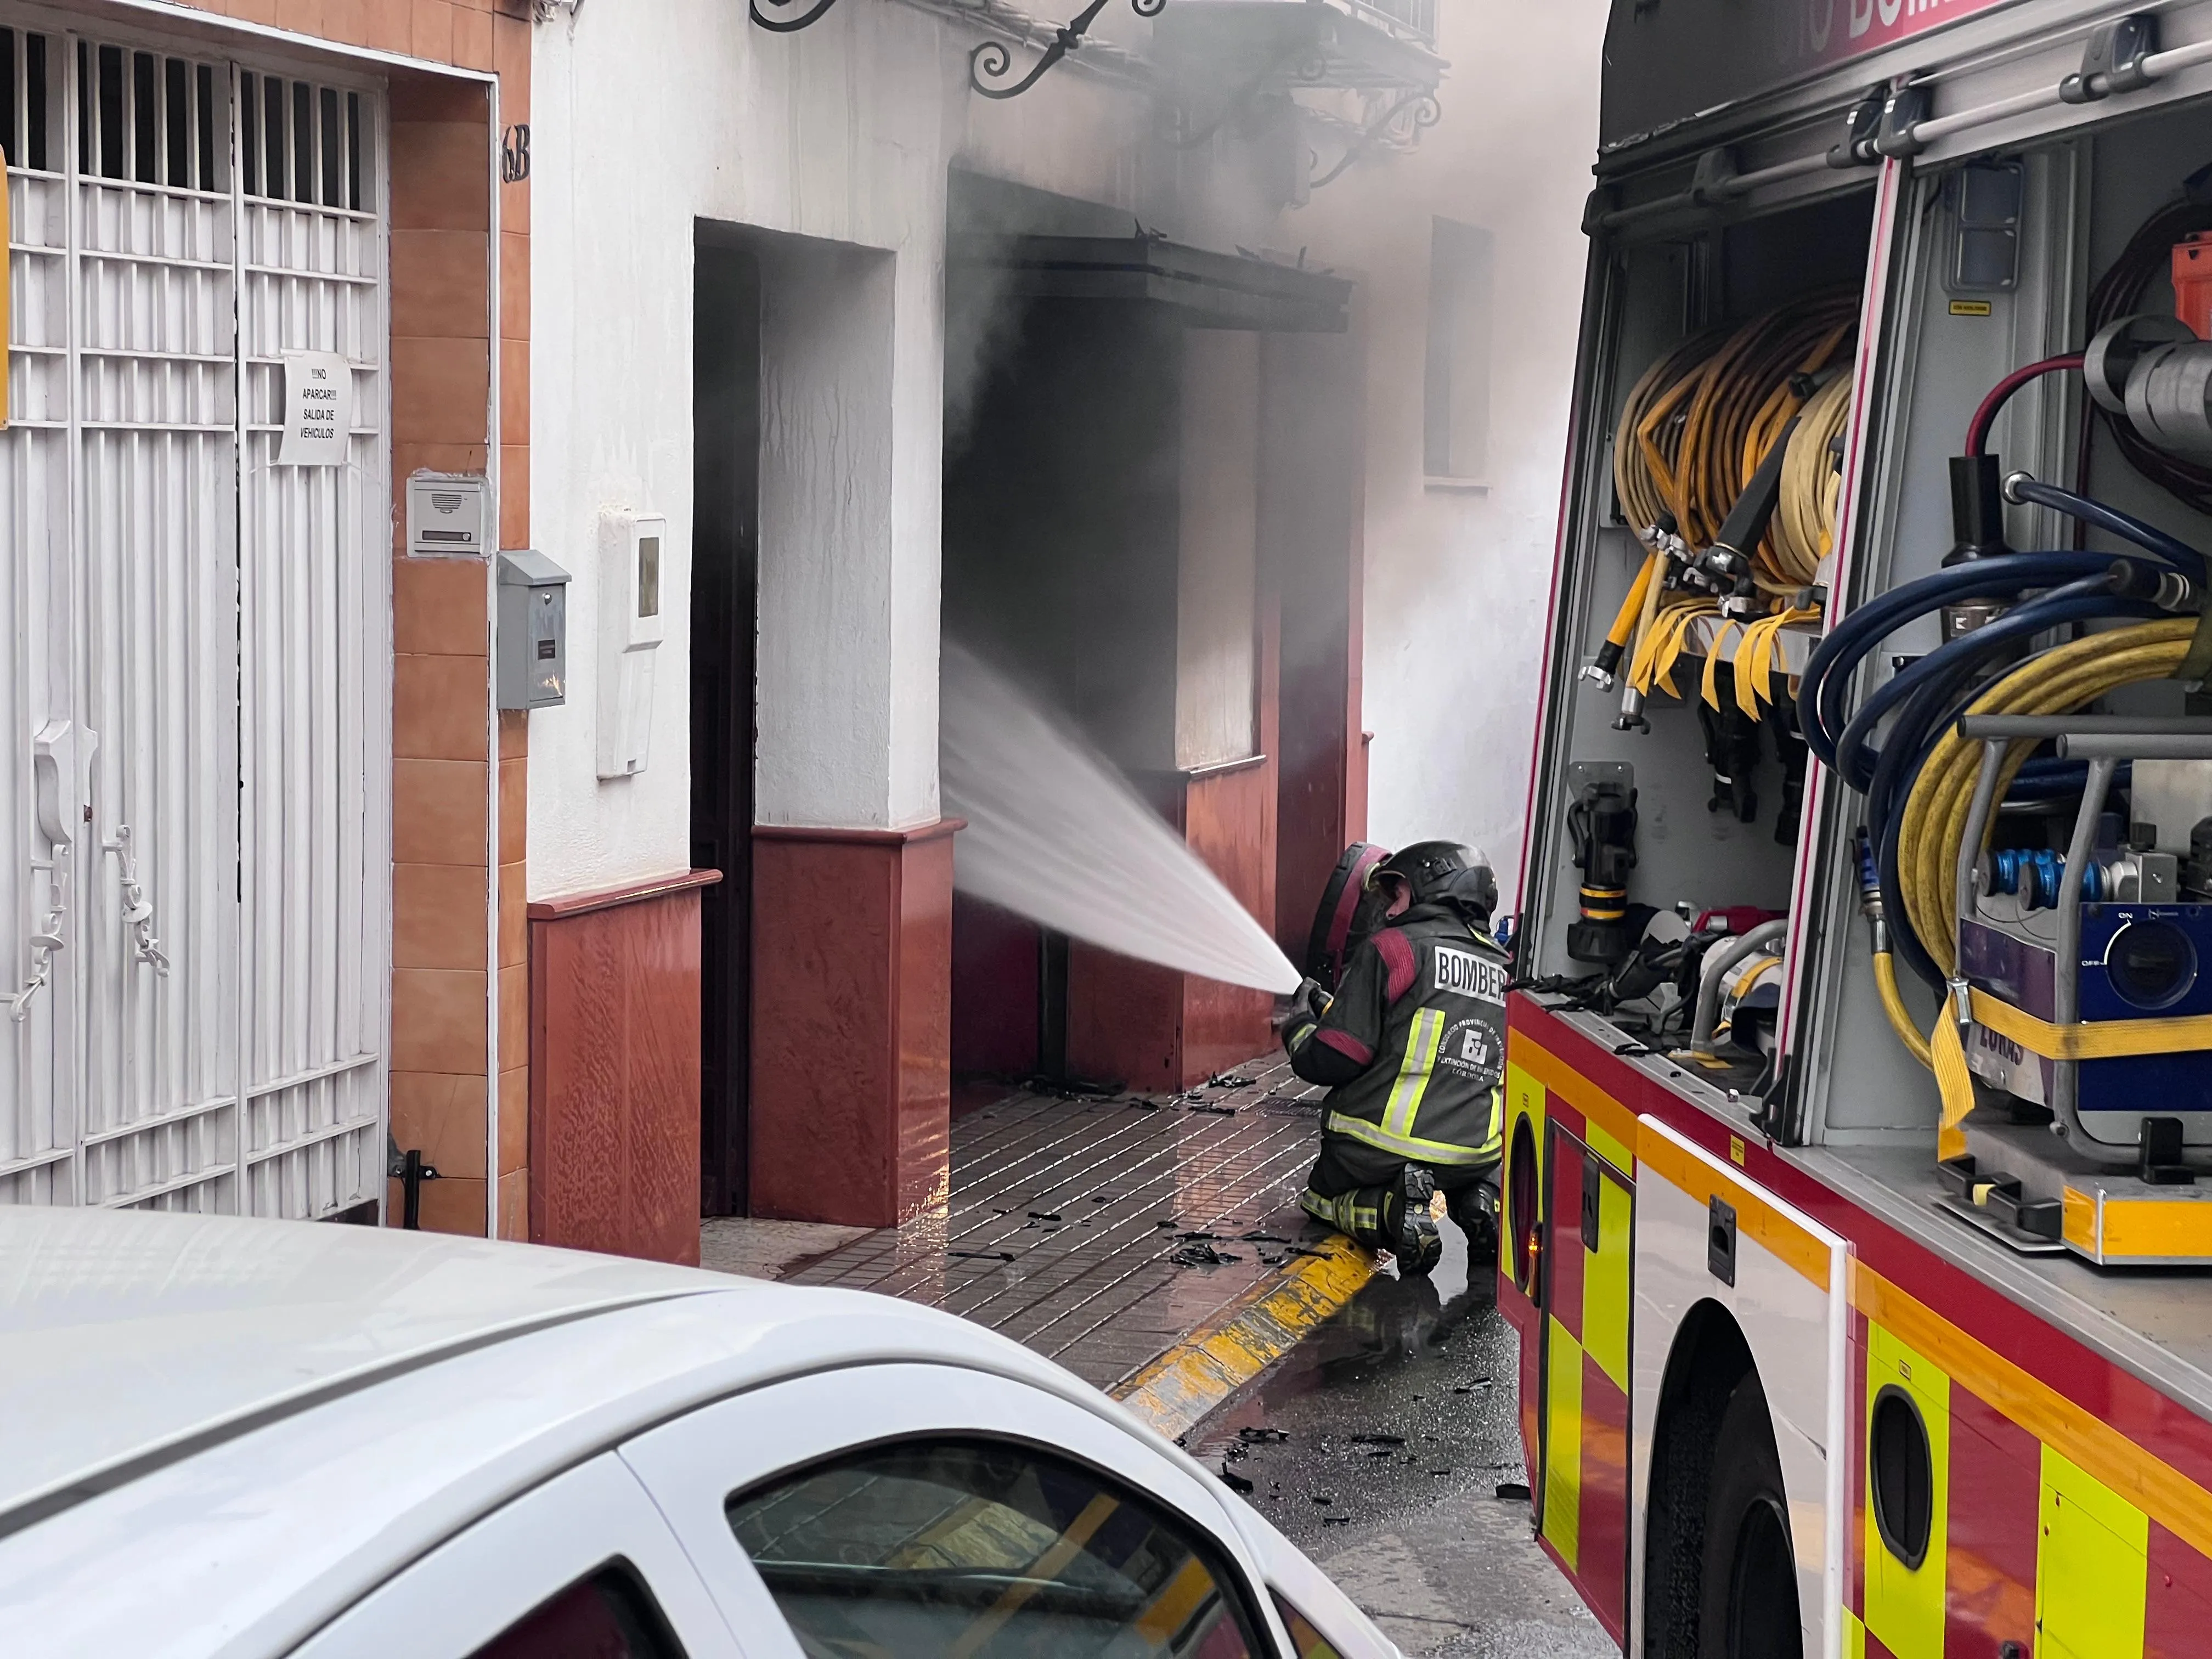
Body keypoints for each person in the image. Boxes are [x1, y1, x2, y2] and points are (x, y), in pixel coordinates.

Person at [1280, 841, 1508, 1277]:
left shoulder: (1395, 948)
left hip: (1381, 1146)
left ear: (1432, 889)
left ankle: (1392, 1213)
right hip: (1473, 1154)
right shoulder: (1507, 968)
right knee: (1472, 1172)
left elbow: (1335, 1059)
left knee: (1320, 1198)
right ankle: (1480, 1201)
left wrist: (1299, 1029)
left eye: (1397, 896)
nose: (1387, 912)